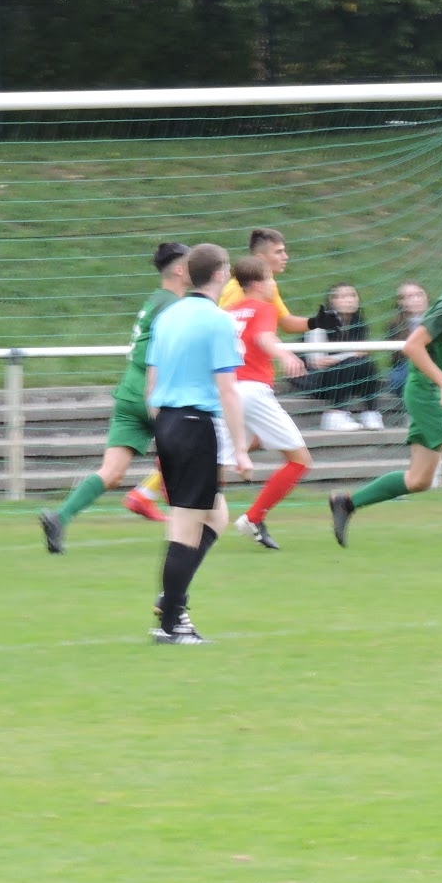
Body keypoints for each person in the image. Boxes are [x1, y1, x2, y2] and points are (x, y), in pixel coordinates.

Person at [121, 226, 338, 514]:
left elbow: (282, 321)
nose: (285, 256)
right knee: (227, 449)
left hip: (238, 381)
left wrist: (314, 322)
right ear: (260, 258)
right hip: (230, 379)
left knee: (241, 443)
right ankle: (183, 496)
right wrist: (282, 354)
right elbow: (234, 329)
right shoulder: (235, 292)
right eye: (279, 252)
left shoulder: (262, 288)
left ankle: (154, 492)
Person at [328, 243, 442, 566]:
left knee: (419, 480)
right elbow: (412, 346)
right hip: (426, 394)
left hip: (429, 391)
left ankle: (346, 503)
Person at [38, 241, 190, 553]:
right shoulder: (174, 305)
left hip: (128, 392)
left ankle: (60, 517)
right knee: (190, 457)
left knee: (111, 473)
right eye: (191, 262)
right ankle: (185, 537)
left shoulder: (156, 300)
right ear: (179, 269)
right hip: (153, 391)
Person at [145, 243, 253, 644]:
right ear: (221, 274)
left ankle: (171, 596)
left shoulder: (168, 316)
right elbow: (228, 389)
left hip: (168, 421)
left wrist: (161, 426)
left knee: (215, 515)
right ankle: (172, 622)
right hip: (194, 425)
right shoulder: (218, 321)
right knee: (186, 527)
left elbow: (151, 380)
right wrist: (241, 449)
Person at [224, 255, 312, 550]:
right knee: (299, 460)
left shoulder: (228, 312)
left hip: (226, 391)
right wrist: (285, 355)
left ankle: (188, 505)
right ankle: (253, 517)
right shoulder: (263, 308)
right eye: (271, 279)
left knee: (227, 455)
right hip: (252, 392)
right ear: (260, 284)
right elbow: (263, 338)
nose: (275, 284)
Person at [290, 282, 386, 431]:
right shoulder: (319, 324)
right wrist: (351, 354)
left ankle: (370, 412)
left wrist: (353, 356)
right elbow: (317, 362)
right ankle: (335, 414)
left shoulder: (358, 324)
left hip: (348, 380)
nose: (349, 300)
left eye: (352, 295)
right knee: (352, 360)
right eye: (342, 297)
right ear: (332, 301)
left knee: (367, 363)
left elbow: (362, 354)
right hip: (317, 381)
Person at [386, 281, 429, 398]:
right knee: (401, 380)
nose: (416, 300)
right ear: (401, 302)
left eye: (419, 295)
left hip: (434, 364)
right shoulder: (395, 325)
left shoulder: (438, 320)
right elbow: (397, 356)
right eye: (409, 297)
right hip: (406, 366)